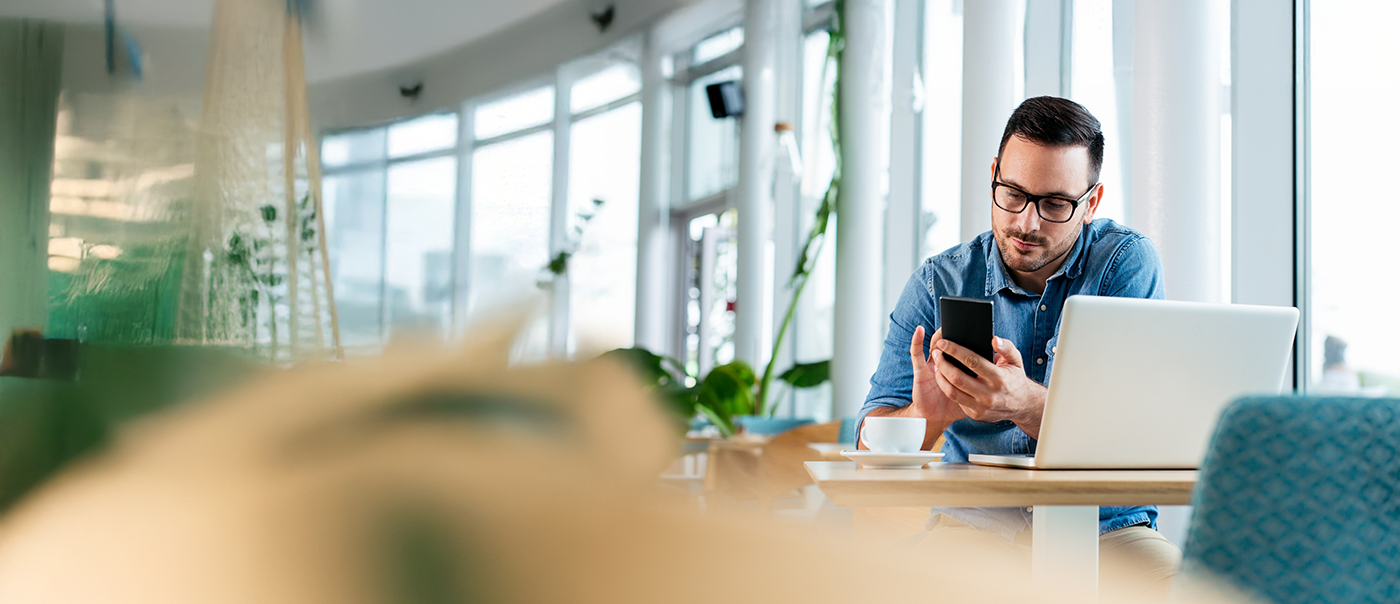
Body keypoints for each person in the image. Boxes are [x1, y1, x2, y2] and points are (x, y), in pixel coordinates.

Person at [857, 96, 1179, 597]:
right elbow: (867, 453)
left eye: (1054, 204)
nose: (1027, 223)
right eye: (1012, 193)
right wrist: (927, 417)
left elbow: (1134, 435)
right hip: (974, 530)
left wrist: (1026, 405)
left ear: (1091, 203)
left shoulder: (1125, 265)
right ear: (994, 175)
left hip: (1107, 532)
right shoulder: (938, 281)